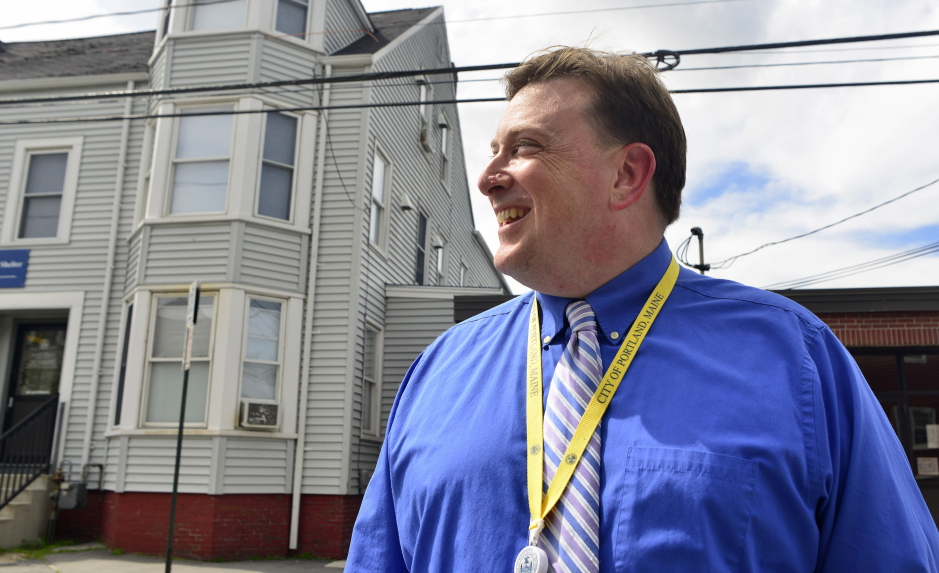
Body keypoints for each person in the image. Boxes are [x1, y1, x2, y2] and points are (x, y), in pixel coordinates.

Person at [346, 47, 939, 572]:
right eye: (494, 150)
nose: (486, 179)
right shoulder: (436, 375)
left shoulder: (796, 361)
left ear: (627, 174)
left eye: (524, 147)